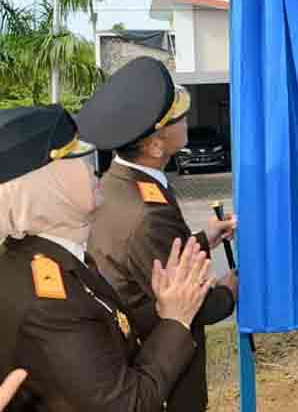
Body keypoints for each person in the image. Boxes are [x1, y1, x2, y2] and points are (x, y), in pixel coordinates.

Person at [0, 104, 212, 411]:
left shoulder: (52, 258)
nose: (93, 168)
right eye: (75, 158)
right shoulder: (48, 303)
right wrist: (176, 318)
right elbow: (127, 404)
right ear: (41, 185)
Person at [77, 57, 238, 412]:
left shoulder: (120, 183)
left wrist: (202, 239)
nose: (185, 120)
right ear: (153, 145)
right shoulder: (146, 214)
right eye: (176, 118)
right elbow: (196, 305)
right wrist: (231, 287)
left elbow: (149, 257)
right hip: (164, 374)